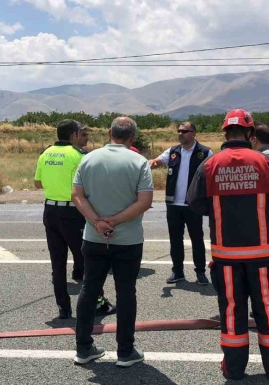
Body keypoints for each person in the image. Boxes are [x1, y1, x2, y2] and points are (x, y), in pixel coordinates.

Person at [187, 109, 269, 381]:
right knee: (268, 309)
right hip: (263, 255)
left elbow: (195, 202)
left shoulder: (210, 165)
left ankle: (234, 369)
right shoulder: (265, 162)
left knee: (232, 311)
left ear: (224, 133)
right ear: (250, 133)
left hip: (226, 257)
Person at [71, 117, 154, 367]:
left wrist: (98, 222)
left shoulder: (89, 158)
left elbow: (77, 195)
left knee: (89, 290)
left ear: (109, 133)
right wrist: (115, 221)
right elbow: (144, 202)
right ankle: (125, 351)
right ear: (132, 137)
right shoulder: (138, 161)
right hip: (127, 240)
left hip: (94, 237)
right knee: (126, 292)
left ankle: (83, 348)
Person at [34, 120, 115, 319]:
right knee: (86, 262)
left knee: (58, 264)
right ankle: (98, 303)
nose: (82, 136)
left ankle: (63, 308)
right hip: (73, 214)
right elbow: (89, 185)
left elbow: (38, 183)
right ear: (73, 135)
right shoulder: (78, 155)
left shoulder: (46, 153)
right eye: (80, 132)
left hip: (50, 211)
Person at [149, 122, 213, 285]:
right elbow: (157, 162)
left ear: (194, 133)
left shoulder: (205, 152)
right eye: (179, 131)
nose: (180, 133)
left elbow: (212, 174)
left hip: (193, 204)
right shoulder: (172, 152)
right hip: (173, 204)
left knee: (197, 239)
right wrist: (151, 163)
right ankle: (177, 272)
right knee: (175, 240)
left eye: (185, 131)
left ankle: (200, 272)